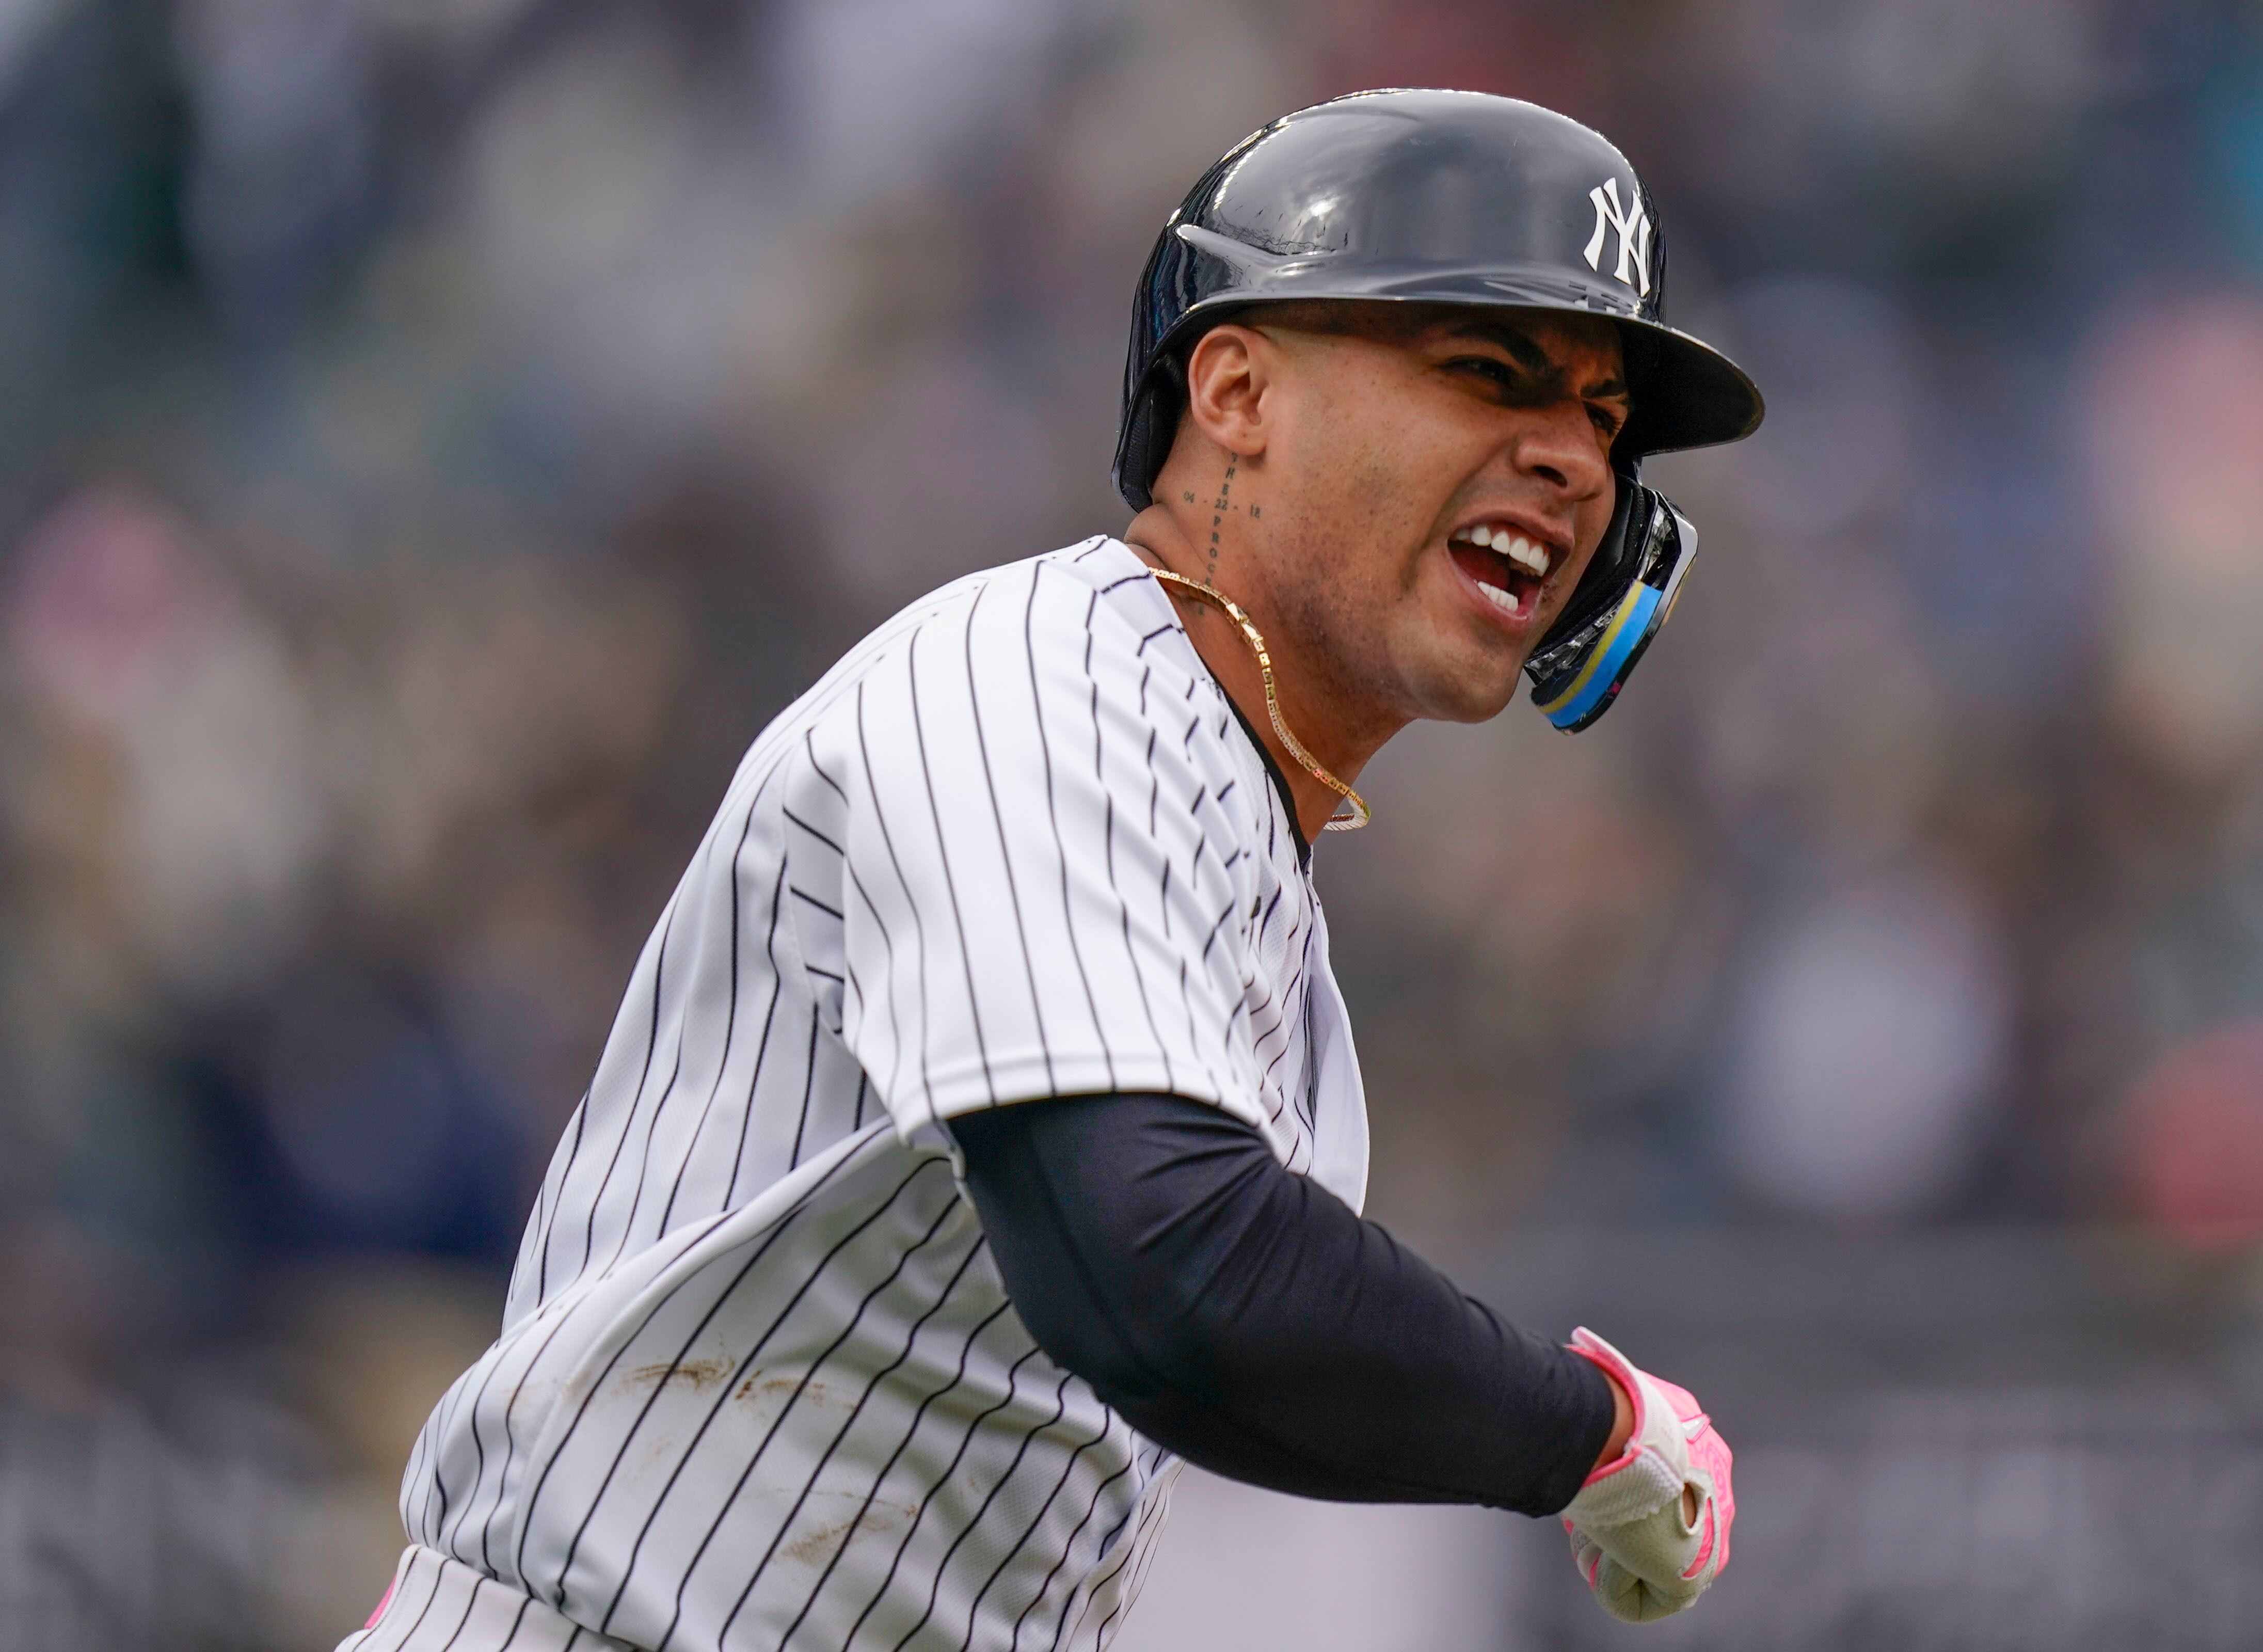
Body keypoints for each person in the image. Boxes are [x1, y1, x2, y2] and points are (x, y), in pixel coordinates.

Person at [342, 87, 1763, 1652]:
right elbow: (1169, 1276)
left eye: (1603, 422)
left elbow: (1218, 1362)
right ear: (1236, 391)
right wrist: (1584, 1428)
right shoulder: (1032, 687)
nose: (1571, 462)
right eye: (1489, 373)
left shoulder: (1245, 861)